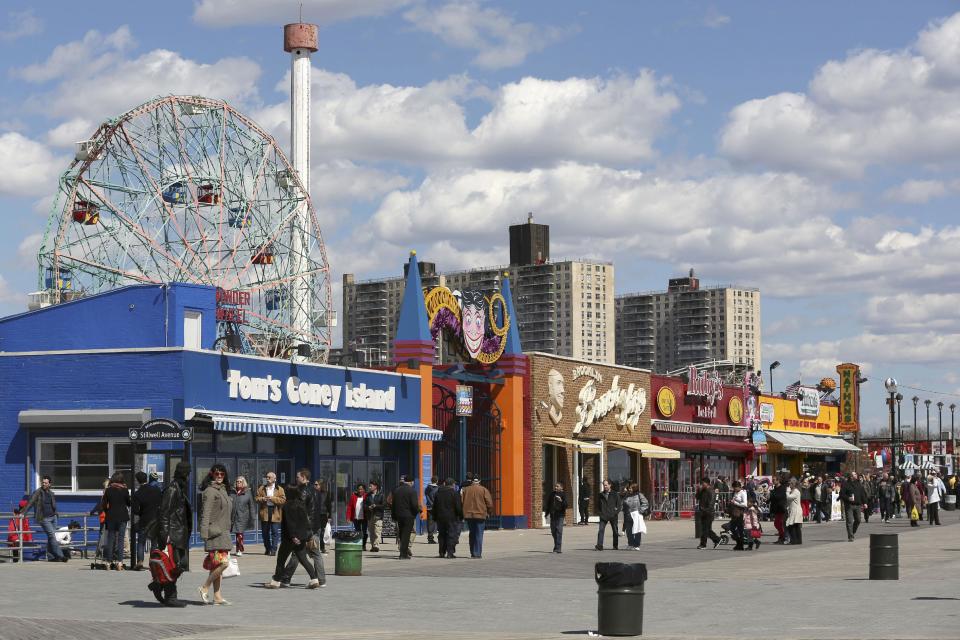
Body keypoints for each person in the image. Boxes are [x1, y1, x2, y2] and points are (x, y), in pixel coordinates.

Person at [266, 484, 323, 589]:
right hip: (301, 538)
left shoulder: (287, 506)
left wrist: (293, 536)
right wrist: (305, 536)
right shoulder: (301, 505)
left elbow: (290, 523)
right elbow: (305, 522)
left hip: (289, 538)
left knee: (281, 560)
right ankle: (314, 579)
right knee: (303, 559)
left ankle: (276, 581)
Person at [151, 461, 192, 607]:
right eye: (186, 474)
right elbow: (164, 513)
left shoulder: (180, 488)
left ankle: (159, 585)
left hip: (179, 533)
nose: (187, 477)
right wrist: (165, 533)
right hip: (173, 534)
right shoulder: (172, 489)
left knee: (180, 565)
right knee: (175, 565)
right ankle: (170, 596)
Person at [198, 464, 233, 605]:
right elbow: (205, 514)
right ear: (212, 474)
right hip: (214, 533)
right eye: (217, 473)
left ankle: (217, 596)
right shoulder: (210, 491)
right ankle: (204, 587)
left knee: (216, 565)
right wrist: (204, 532)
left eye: (222, 474)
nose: (219, 476)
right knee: (224, 563)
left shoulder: (223, 490)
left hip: (224, 532)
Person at [25, 475, 68, 563]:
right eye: (43, 482)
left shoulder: (51, 493)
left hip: (53, 517)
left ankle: (51, 557)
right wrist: (23, 513)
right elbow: (30, 502)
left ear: (50, 484)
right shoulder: (38, 492)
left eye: (46, 483)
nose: (44, 484)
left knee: (51, 537)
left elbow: (53, 505)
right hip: (44, 518)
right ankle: (61, 555)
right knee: (52, 536)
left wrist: (56, 514)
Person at [132, 471, 162, 570]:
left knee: (141, 542)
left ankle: (140, 561)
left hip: (144, 520)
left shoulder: (137, 493)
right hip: (155, 520)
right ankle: (152, 562)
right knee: (154, 542)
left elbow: (135, 511)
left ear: (137, 480)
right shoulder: (157, 491)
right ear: (147, 479)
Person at [101, 471, 131, 570]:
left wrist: (108, 511)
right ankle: (119, 563)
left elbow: (104, 505)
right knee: (121, 539)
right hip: (122, 516)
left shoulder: (108, 490)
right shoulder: (125, 490)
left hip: (111, 517)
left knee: (111, 539)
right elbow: (129, 503)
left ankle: (108, 563)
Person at [462, 474, 494, 558]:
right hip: (480, 515)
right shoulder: (484, 490)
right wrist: (489, 512)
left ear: (471, 481)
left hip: (468, 515)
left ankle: (472, 552)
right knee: (479, 534)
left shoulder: (465, 489)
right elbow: (489, 503)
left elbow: (461, 502)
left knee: (472, 533)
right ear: (479, 481)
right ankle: (477, 553)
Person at [389, 475, 421, 560]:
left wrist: (394, 515)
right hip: (409, 516)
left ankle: (403, 552)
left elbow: (393, 504)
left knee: (402, 534)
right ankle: (403, 554)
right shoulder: (412, 491)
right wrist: (418, 511)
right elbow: (414, 505)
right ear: (411, 482)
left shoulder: (397, 490)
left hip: (399, 515)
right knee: (406, 535)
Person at [255, 472, 285, 556]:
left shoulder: (280, 489)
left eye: (269, 477)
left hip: (275, 512)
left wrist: (272, 499)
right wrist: (263, 499)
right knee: (265, 532)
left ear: (274, 479)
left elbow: (283, 500)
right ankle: (267, 548)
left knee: (275, 532)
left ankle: (274, 550)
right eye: (267, 477)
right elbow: (256, 499)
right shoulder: (261, 488)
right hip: (265, 511)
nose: (267, 478)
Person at [433, 477, 463, 558]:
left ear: (445, 484)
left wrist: (434, 517)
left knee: (441, 535)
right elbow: (458, 507)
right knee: (451, 534)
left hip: (440, 517)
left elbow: (434, 506)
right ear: (453, 484)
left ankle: (441, 552)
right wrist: (460, 516)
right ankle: (450, 553)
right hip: (451, 517)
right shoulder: (455, 493)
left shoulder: (438, 493)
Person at [231, 476, 256, 557]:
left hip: (243, 516)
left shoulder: (247, 493)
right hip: (233, 516)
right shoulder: (232, 492)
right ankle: (237, 549)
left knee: (240, 534)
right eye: (237, 481)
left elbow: (251, 506)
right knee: (237, 533)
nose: (238, 483)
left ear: (243, 483)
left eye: (240, 482)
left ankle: (240, 550)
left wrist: (252, 517)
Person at [595, 479, 621, 551]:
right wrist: (600, 513)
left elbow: (619, 505)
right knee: (601, 530)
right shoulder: (601, 495)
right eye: (604, 485)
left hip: (613, 515)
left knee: (615, 531)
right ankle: (600, 545)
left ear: (610, 485)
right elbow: (598, 505)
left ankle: (615, 546)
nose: (605, 486)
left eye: (606, 485)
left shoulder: (615, 494)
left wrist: (615, 512)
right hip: (603, 516)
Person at [695, 477, 721, 549]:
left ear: (707, 483)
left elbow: (711, 503)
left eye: (703, 483)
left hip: (709, 513)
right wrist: (698, 490)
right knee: (706, 529)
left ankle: (703, 544)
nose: (702, 485)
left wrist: (706, 509)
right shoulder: (702, 490)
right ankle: (717, 540)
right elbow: (697, 497)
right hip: (703, 512)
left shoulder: (711, 491)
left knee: (705, 529)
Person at [840, 471, 866, 541]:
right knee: (849, 521)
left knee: (858, 520)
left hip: (857, 505)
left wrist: (865, 503)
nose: (856, 475)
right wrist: (848, 498)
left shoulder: (859, 484)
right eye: (854, 474)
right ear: (851, 476)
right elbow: (841, 494)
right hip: (849, 505)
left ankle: (852, 532)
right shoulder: (846, 484)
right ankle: (850, 536)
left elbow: (862, 494)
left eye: (856, 474)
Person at [621, 483, 647, 550]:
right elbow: (623, 503)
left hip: (637, 515)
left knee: (637, 530)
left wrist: (640, 511)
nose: (629, 489)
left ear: (635, 489)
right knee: (629, 531)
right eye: (629, 488)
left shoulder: (639, 495)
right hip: (628, 515)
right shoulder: (627, 495)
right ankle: (630, 544)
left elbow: (645, 503)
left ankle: (636, 545)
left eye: (631, 488)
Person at [544, 481, 568, 553]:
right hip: (553, 515)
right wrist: (546, 513)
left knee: (559, 531)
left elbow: (566, 505)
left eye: (557, 486)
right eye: (555, 486)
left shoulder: (563, 495)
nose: (555, 487)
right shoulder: (552, 494)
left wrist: (561, 500)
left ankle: (558, 548)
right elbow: (548, 504)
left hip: (560, 515)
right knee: (553, 531)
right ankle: (556, 545)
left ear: (561, 487)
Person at [312, 478, 333, 554]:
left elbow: (329, 505)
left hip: (323, 514)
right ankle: (314, 547)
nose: (315, 486)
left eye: (316, 484)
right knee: (315, 531)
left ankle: (322, 547)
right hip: (315, 514)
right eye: (314, 484)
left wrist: (330, 516)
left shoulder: (326, 493)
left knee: (322, 531)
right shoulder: (313, 493)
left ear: (320, 485)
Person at [364, 480, 385, 553]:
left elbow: (384, 505)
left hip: (378, 516)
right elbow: (364, 505)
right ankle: (373, 545)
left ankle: (376, 545)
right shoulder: (367, 495)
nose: (369, 487)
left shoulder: (381, 495)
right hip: (370, 516)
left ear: (375, 486)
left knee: (377, 531)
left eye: (371, 486)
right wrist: (368, 507)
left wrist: (376, 506)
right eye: (369, 486)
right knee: (371, 531)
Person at [347, 483, 368, 550]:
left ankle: (363, 545)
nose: (360, 490)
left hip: (364, 517)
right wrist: (348, 517)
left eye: (361, 489)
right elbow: (349, 507)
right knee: (358, 532)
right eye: (359, 489)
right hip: (356, 518)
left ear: (364, 490)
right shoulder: (353, 496)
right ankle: (359, 545)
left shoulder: (366, 496)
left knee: (364, 532)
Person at [729, 480, 748, 551]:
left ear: (738, 487)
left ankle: (740, 544)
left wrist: (735, 503)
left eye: (735, 488)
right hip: (734, 513)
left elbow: (745, 504)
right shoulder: (735, 493)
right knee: (732, 528)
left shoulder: (743, 493)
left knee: (740, 529)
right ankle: (739, 542)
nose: (734, 489)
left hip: (740, 514)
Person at [769, 476, 788, 544]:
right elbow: (773, 498)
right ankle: (781, 536)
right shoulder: (774, 488)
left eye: (774, 480)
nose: (773, 481)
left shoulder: (782, 488)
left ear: (778, 480)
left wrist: (772, 493)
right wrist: (768, 500)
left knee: (778, 523)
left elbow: (780, 497)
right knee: (777, 523)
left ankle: (783, 537)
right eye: (772, 480)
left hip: (781, 508)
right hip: (776, 508)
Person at [785, 477, 803, 545]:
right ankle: (797, 540)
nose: (789, 485)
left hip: (796, 510)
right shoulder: (793, 491)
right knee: (795, 526)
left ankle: (795, 540)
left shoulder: (796, 491)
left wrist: (787, 491)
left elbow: (788, 497)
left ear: (793, 484)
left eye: (790, 484)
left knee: (792, 526)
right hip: (793, 510)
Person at [424, 476, 439, 544]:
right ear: (437, 481)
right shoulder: (438, 488)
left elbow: (427, 497)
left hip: (429, 507)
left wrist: (430, 503)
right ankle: (438, 537)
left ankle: (430, 537)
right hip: (436, 507)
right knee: (437, 522)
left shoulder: (427, 488)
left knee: (430, 522)